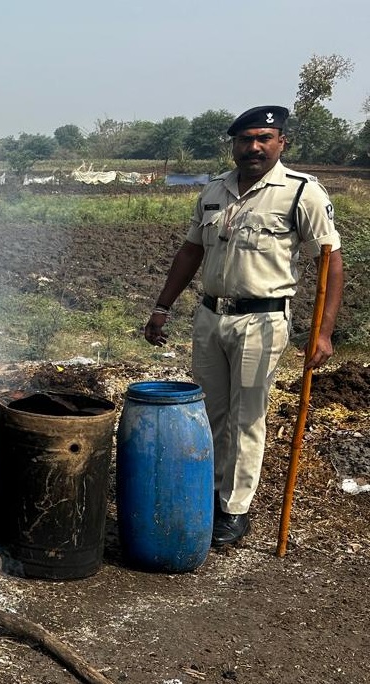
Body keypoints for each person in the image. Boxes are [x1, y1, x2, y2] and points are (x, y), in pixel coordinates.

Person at [145, 105, 344, 547]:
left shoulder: (300, 193)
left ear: (281, 143)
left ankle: (234, 508)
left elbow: (329, 262)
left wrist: (324, 332)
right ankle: (210, 494)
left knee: (247, 415)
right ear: (233, 144)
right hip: (211, 315)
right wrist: (162, 307)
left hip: (263, 319)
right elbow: (190, 251)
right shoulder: (215, 190)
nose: (253, 147)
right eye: (244, 140)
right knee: (211, 412)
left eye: (263, 139)